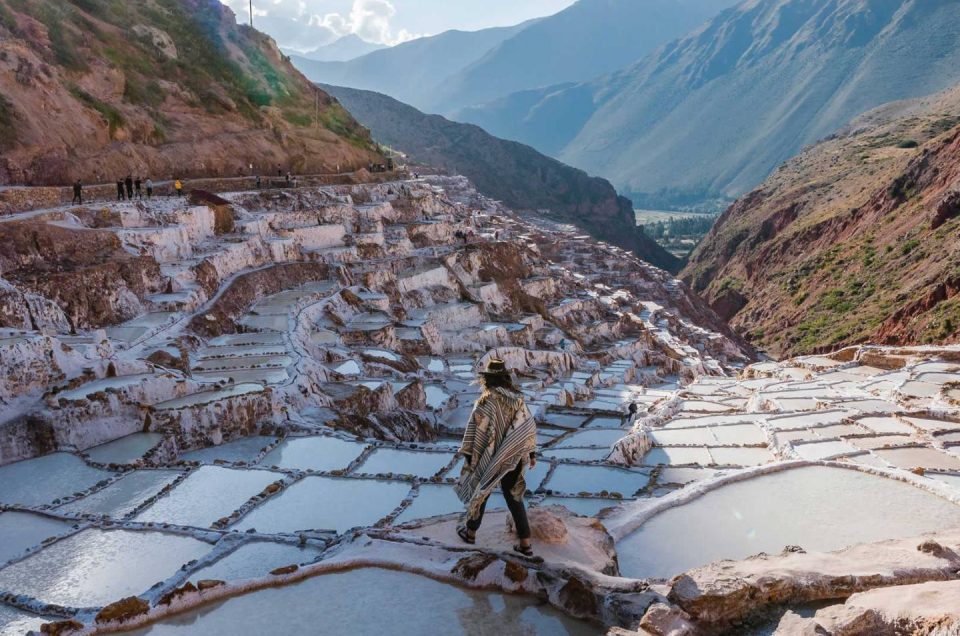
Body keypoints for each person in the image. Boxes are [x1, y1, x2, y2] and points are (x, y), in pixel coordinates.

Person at [456, 358, 537, 556]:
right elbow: (527, 428)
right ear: (505, 378)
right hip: (513, 456)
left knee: (481, 491)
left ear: (487, 379)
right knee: (514, 498)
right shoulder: (518, 401)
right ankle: (525, 543)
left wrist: (469, 456)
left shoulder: (485, 402)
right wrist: (531, 453)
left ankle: (471, 533)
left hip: (488, 457)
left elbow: (474, 431)